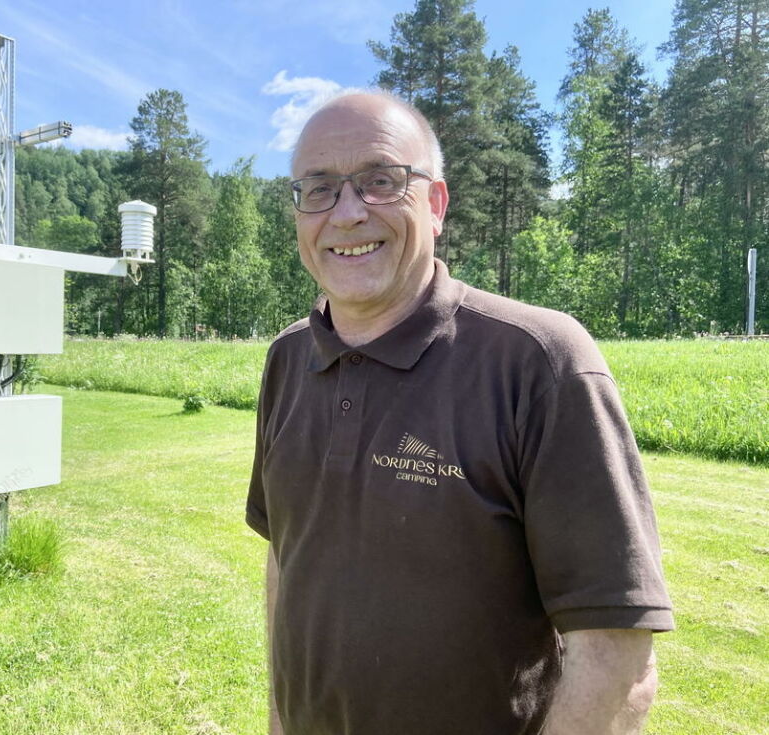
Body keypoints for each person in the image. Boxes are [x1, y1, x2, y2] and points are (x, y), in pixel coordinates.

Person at [245, 91, 673, 735]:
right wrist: (279, 720)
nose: (348, 212)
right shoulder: (287, 359)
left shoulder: (539, 362)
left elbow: (617, 654)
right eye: (320, 188)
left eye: (381, 181)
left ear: (436, 203)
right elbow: (287, 555)